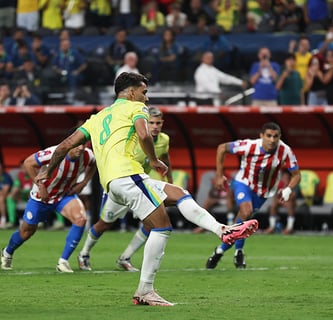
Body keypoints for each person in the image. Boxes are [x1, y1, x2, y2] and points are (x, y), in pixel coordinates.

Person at [34, 72, 258, 306]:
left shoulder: (97, 117)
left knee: (178, 193)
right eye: (144, 92)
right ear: (131, 93)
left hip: (113, 183)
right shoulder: (136, 108)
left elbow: (65, 144)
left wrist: (46, 172)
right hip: (128, 175)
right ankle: (145, 291)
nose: (147, 99)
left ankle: (222, 230)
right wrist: (152, 159)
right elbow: (143, 133)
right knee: (162, 227)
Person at [77, 107, 174, 272]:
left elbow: (164, 157)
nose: (155, 126)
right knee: (104, 224)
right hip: (122, 185)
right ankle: (84, 253)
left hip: (141, 186)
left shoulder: (164, 139)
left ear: (162, 123)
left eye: (158, 123)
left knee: (152, 223)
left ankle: (125, 258)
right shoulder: (134, 138)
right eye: (151, 122)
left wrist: (169, 180)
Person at [206, 122, 300, 269]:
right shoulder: (249, 146)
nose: (272, 140)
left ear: (279, 137)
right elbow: (222, 148)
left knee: (243, 220)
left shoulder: (285, 151)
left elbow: (296, 175)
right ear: (261, 136)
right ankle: (238, 252)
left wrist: (288, 189)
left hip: (263, 192)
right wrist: (219, 175)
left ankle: (221, 250)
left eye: (275, 136)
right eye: (268, 136)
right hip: (243, 183)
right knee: (246, 212)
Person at [0, 141, 96, 272]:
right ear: (70, 144)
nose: (80, 148)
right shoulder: (53, 153)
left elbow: (93, 164)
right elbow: (28, 163)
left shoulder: (87, 155)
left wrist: (83, 183)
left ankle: (63, 261)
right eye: (77, 145)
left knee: (80, 219)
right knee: (27, 232)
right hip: (41, 197)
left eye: (83, 145)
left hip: (64, 195)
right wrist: (41, 186)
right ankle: (7, 252)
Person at [266, 169, 297, 234]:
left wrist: (286, 199)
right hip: (281, 201)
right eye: (283, 177)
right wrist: (279, 200)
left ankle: (289, 228)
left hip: (291, 202)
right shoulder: (279, 185)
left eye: (286, 177)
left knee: (290, 205)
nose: (284, 179)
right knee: (273, 206)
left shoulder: (293, 184)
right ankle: (272, 227)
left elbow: (294, 195)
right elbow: (276, 196)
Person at [0, 161, 13, 229]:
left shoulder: (6, 176)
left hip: (6, 195)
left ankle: (3, 219)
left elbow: (6, 190)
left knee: (1, 199)